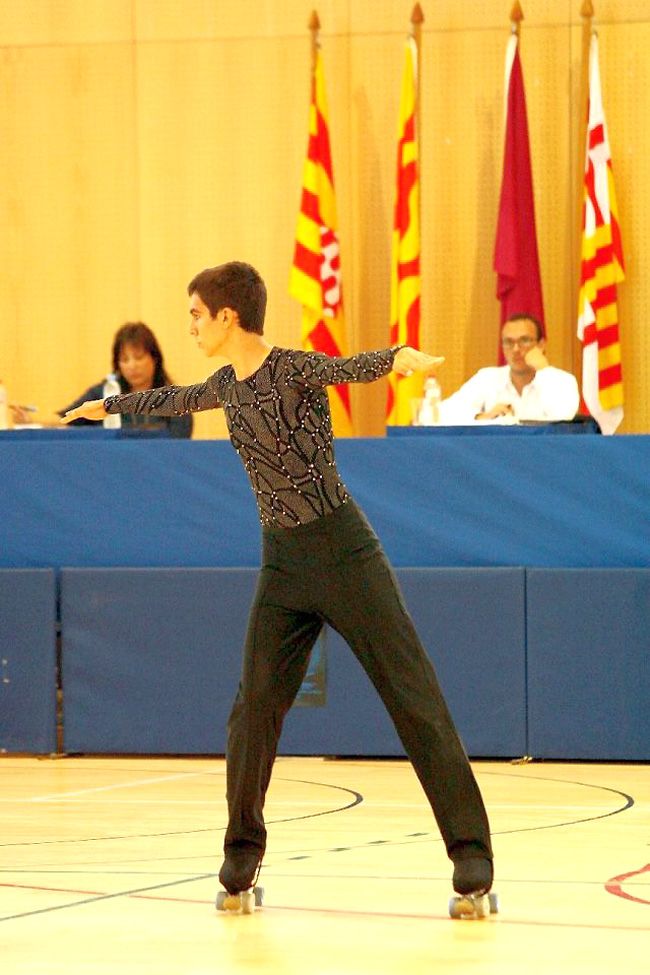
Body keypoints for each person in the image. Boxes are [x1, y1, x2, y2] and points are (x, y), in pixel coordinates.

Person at [63, 261, 494, 915]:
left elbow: (346, 368)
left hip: (346, 552)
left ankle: (471, 853)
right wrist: (109, 403)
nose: (190, 326)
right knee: (254, 707)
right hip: (284, 566)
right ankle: (242, 852)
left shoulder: (291, 367)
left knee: (414, 696)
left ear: (227, 316)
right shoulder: (223, 386)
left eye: (196, 315)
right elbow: (169, 400)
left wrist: (397, 357)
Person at [12, 322, 192, 438]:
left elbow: (179, 443)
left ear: (154, 358)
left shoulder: (174, 398)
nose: (132, 366)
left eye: (138, 357)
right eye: (124, 360)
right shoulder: (105, 393)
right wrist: (31, 419)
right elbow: (69, 417)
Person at [437, 314, 580, 424]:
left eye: (524, 340)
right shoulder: (487, 378)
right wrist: (482, 417)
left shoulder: (563, 381)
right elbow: (440, 414)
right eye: (508, 342)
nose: (516, 349)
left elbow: (563, 417)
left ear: (541, 345)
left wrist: (543, 369)